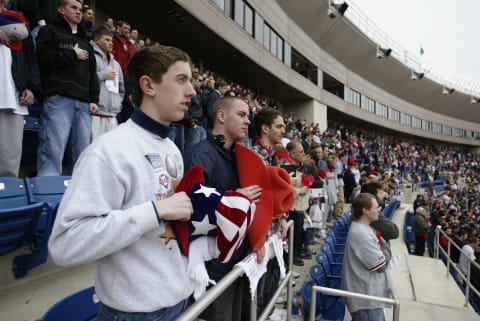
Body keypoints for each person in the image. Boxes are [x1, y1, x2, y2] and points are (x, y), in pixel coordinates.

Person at [48, 45, 197, 321]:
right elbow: (65, 244)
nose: (192, 91)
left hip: (180, 300)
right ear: (148, 85)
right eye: (181, 80)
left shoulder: (172, 149)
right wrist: (154, 211)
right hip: (135, 314)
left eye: (191, 81)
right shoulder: (109, 151)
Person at [184, 96, 263, 321]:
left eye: (248, 115)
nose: (248, 121)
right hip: (212, 269)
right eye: (241, 114)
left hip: (238, 262)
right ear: (221, 115)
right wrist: (232, 200)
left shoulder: (241, 158)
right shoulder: (198, 155)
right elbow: (190, 211)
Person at [36, 0, 99, 176]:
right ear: (61, 9)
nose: (79, 12)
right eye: (74, 8)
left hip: (84, 103)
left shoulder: (86, 41)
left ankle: (79, 194)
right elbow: (43, 58)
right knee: (52, 150)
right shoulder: (48, 31)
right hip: (58, 98)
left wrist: (94, 98)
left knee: (82, 153)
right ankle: (47, 196)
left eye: (80, 9)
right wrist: (72, 53)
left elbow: (92, 73)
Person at [0, 0, 40, 177]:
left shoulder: (19, 21)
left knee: (9, 158)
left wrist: (30, 87)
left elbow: (31, 60)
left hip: (13, 96)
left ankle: (7, 200)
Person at [342, 193, 392, 321]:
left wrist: (384, 248)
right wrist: (387, 250)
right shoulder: (361, 234)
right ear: (365, 210)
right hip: (366, 301)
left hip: (369, 298)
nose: (379, 210)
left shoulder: (364, 227)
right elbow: (381, 266)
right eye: (376, 207)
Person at [90, 26, 124, 140]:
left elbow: (121, 89)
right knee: (92, 150)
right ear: (96, 40)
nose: (111, 43)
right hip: (95, 114)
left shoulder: (116, 64)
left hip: (112, 116)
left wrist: (117, 104)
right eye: (107, 40)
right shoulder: (91, 57)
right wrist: (103, 75)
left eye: (112, 41)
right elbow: (85, 80)